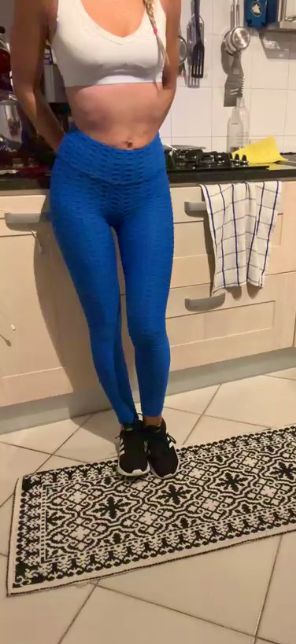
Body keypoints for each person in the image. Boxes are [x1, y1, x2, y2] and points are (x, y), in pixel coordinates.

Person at [11, 0, 181, 478]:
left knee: (148, 325)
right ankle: (128, 425)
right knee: (104, 322)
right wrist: (67, 147)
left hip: (147, 181)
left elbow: (170, 79)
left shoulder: (164, 1)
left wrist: (144, 132)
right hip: (82, 184)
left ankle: (154, 425)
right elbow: (24, 85)